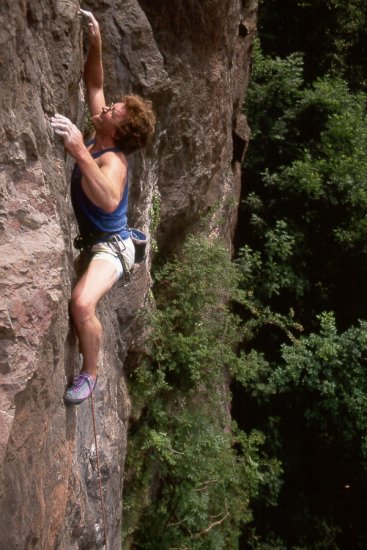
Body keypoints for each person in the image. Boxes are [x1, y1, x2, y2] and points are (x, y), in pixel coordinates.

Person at [50, 9, 155, 405]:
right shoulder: (101, 128)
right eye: (110, 105)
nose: (107, 107)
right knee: (79, 299)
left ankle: (90, 374)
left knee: (81, 302)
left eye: (113, 111)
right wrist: (96, 43)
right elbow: (94, 80)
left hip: (113, 246)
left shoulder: (114, 162)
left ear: (119, 131)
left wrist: (78, 149)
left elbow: (110, 198)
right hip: (95, 239)